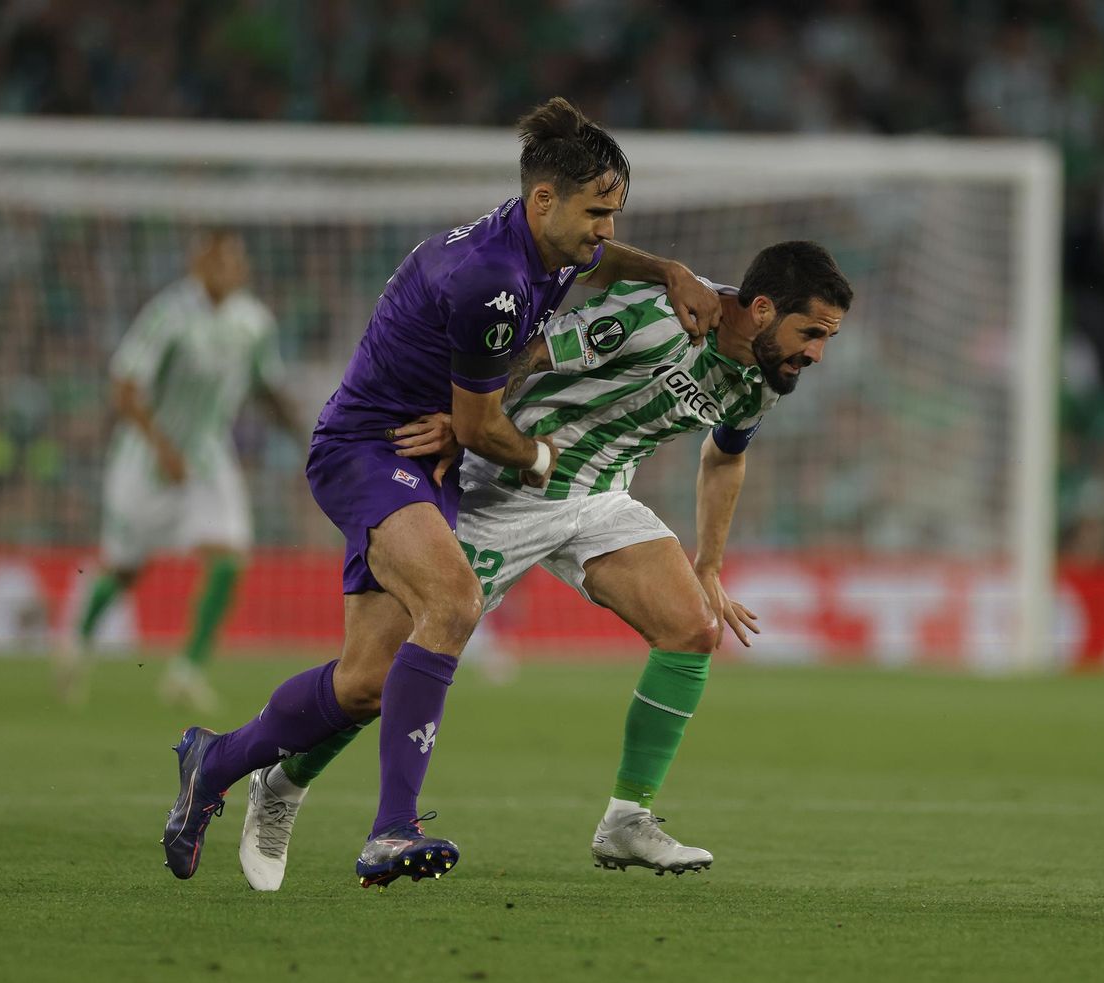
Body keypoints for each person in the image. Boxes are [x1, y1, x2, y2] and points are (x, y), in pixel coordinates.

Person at [160, 97, 721, 888]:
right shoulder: (491, 282)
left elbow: (595, 262)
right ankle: (393, 828)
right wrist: (539, 457)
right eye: (599, 212)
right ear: (543, 201)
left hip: (423, 466)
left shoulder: (545, 242)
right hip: (370, 449)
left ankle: (214, 761)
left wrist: (667, 270)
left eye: (615, 213)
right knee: (454, 603)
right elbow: (483, 426)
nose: (606, 227)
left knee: (363, 683)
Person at [236, 239, 852, 889]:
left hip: (597, 498)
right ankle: (281, 782)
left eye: (825, 339)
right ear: (760, 309)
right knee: (374, 677)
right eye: (810, 333)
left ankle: (625, 819)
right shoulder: (659, 317)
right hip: (501, 490)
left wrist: (710, 564)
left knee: (692, 627)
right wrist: (463, 418)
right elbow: (528, 351)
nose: (815, 353)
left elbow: (725, 455)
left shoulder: (762, 377)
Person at [57, 230, 304, 711]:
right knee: (127, 569)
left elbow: (265, 387)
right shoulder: (168, 315)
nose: (229, 270)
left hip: (208, 454)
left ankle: (186, 670)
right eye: (219, 261)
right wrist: (161, 447)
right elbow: (125, 387)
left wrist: (307, 434)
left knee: (230, 557)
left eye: (236, 261)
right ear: (198, 264)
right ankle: (76, 643)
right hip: (147, 456)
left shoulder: (253, 322)